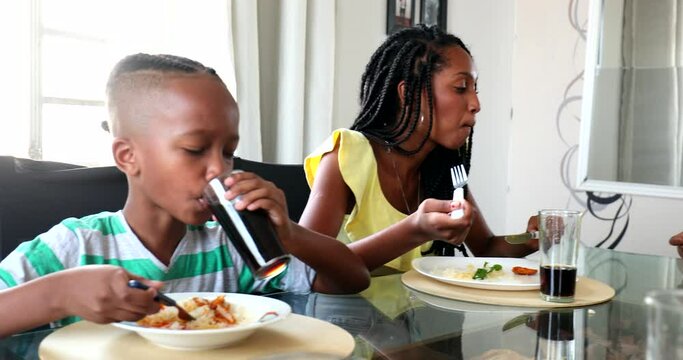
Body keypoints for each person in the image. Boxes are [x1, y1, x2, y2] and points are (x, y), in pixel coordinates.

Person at [0, 53, 369, 337]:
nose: (219, 170)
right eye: (194, 149)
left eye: (227, 152)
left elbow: (350, 280)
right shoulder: (74, 248)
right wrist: (58, 294)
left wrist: (289, 233)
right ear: (128, 157)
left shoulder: (228, 248)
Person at [300, 25, 538, 274]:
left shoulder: (442, 170)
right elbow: (306, 267)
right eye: (460, 88)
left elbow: (486, 248)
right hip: (342, 313)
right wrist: (413, 230)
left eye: (474, 89)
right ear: (410, 94)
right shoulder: (348, 154)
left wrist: (531, 238)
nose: (476, 104)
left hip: (418, 312)